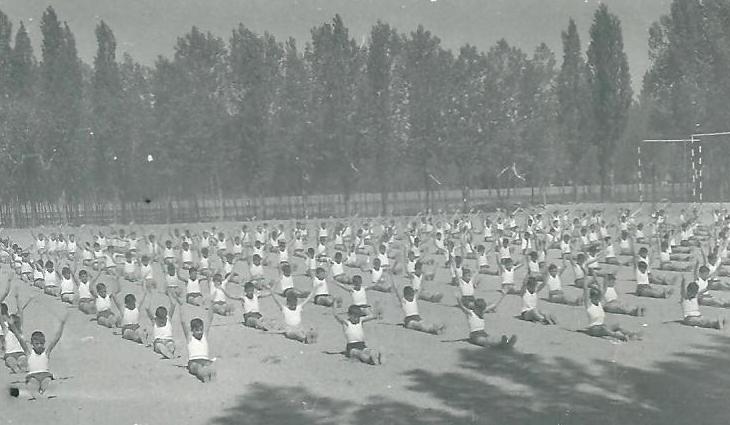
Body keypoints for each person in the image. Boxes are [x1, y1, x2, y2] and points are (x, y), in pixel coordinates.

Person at [3, 308, 68, 400]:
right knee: (34, 391)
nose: (39, 346)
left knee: (49, 388)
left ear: (44, 343)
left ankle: (42, 391)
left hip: (45, 375)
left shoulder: (46, 352)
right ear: (32, 344)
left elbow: (56, 339)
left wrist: (62, 324)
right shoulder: (29, 352)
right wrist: (11, 325)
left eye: (41, 343)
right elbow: (19, 337)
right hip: (33, 376)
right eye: (37, 344)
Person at [179, 302, 216, 382]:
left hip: (205, 361)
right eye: (197, 330)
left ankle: (209, 377)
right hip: (194, 362)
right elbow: (183, 322)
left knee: (212, 370)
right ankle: (204, 377)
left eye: (201, 329)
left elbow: (210, 318)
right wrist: (181, 306)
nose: (200, 332)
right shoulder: (190, 337)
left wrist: (211, 304)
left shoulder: (204, 336)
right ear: (192, 330)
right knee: (199, 369)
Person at [146, 291, 179, 359]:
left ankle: (167, 354)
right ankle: (170, 356)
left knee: (171, 346)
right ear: (157, 317)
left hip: (168, 341)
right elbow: (147, 308)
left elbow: (173, 304)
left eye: (163, 318)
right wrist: (150, 295)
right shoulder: (154, 321)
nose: (162, 320)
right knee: (161, 347)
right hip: (158, 342)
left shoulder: (168, 319)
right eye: (160, 318)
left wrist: (169, 294)